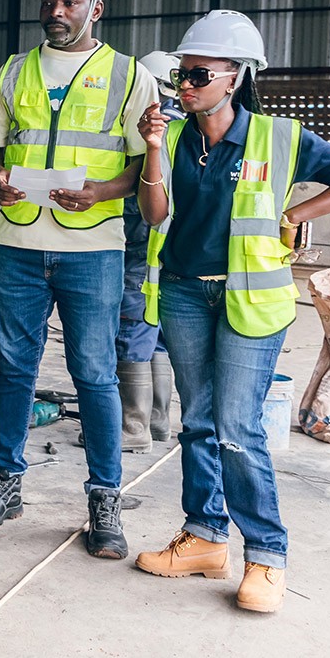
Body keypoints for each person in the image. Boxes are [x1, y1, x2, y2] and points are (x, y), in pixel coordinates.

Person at [134, 9, 330, 612]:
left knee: (237, 428)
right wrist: (152, 149)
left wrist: (295, 217)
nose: (184, 86)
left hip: (251, 298)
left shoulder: (281, 137)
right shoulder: (175, 136)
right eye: (179, 76)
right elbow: (152, 215)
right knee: (197, 420)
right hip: (187, 294)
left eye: (196, 74)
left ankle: (267, 555)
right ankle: (205, 537)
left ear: (234, 77)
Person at [0, 0, 156, 559]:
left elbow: (139, 163)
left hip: (92, 247)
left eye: (69, 1)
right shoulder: (14, 71)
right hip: (19, 240)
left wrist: (103, 191)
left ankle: (104, 501)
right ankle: (5, 485)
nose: (56, 10)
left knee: (94, 374)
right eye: (49, 0)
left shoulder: (129, 75)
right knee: (14, 369)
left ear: (96, 7)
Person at [114, 51, 184, 454]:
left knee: (132, 330)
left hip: (139, 240)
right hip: (171, 246)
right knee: (155, 333)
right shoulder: (188, 127)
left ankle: (131, 427)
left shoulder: (149, 129)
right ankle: (158, 423)